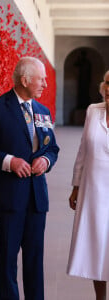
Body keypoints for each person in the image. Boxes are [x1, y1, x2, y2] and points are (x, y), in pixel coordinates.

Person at [0, 56, 60, 300]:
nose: (45, 83)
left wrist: (46, 161)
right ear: (24, 80)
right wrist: (9, 162)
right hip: (8, 199)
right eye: (40, 79)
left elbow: (52, 148)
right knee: (8, 262)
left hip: (36, 199)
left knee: (35, 261)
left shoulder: (43, 111)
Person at [67, 70, 109, 300]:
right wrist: (76, 185)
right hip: (93, 191)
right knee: (97, 244)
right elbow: (83, 149)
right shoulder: (93, 111)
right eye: (108, 83)